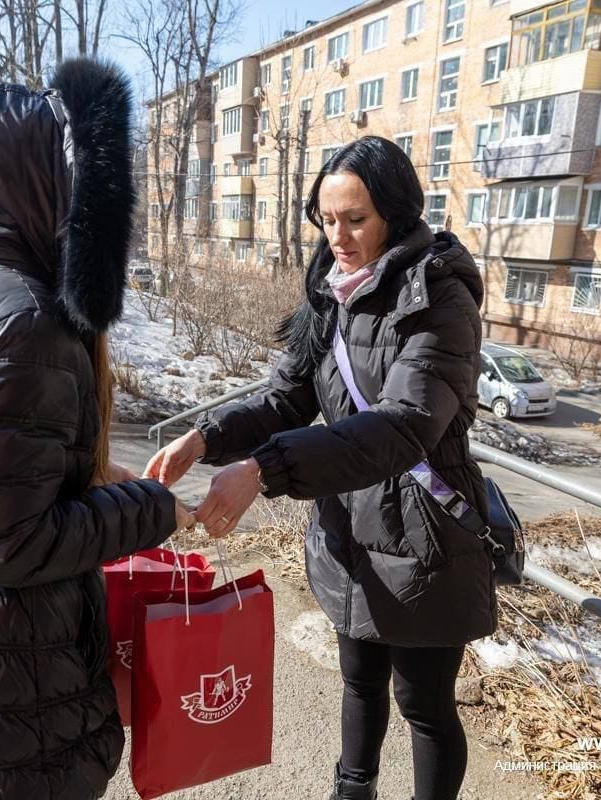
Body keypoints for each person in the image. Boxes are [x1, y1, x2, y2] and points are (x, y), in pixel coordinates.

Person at [147, 136, 497, 800]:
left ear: (395, 211)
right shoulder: (332, 291)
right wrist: (203, 439)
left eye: (355, 219)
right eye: (327, 219)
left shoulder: (440, 299)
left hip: (422, 539)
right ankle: (351, 789)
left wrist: (265, 470)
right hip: (344, 529)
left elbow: (404, 427)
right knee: (359, 680)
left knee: (424, 707)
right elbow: (288, 396)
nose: (338, 235)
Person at [0, 59, 194, 800]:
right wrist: (155, 511)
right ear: (33, 180)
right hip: (12, 710)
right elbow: (6, 543)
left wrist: (83, 476)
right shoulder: (27, 326)